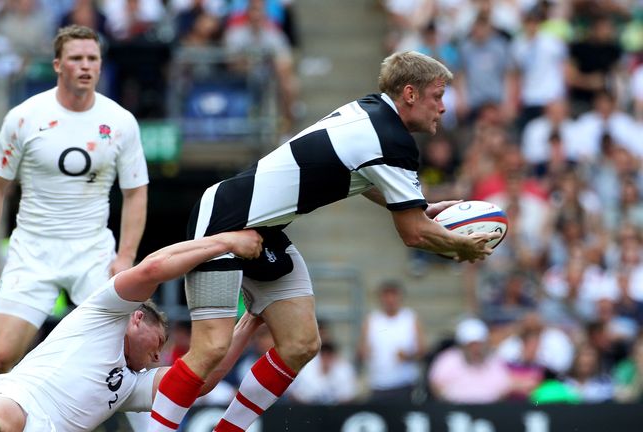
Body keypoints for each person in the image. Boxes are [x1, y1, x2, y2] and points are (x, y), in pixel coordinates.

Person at [148, 50, 501, 432]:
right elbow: (413, 233)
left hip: (264, 230)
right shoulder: (390, 138)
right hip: (223, 218)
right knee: (211, 349)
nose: (444, 107)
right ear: (411, 94)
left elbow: (366, 181)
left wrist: (421, 206)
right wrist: (460, 246)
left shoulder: (373, 112)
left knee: (301, 343)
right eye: (438, 95)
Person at [0, 230, 264, 432]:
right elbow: (153, 268)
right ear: (137, 319)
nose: (158, 355)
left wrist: (251, 319)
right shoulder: (104, 314)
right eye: (158, 342)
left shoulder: (129, 386)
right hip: (15, 398)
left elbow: (200, 381)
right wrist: (225, 242)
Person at [0, 24, 149, 382]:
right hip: (33, 250)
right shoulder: (24, 117)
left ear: (100, 65)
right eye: (76, 59)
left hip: (92, 252)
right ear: (57, 65)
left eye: (92, 59)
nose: (85, 66)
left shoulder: (120, 122)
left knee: (127, 356)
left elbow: (136, 191)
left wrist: (126, 255)